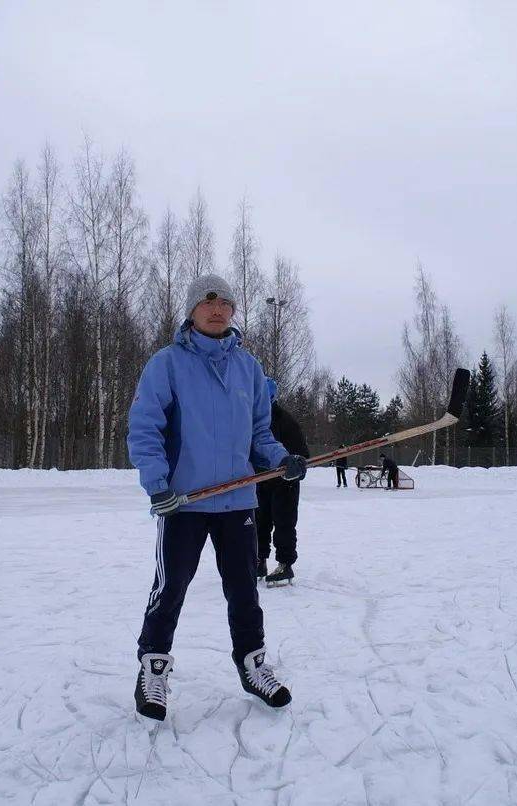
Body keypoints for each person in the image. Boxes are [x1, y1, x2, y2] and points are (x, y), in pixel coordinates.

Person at [127, 274, 307, 721]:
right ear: (192, 310)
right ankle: (153, 669)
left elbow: (260, 435)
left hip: (238, 503)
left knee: (245, 591)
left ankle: (253, 666)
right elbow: (144, 429)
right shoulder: (166, 364)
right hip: (183, 503)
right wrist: (158, 484)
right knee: (170, 588)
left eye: (225, 302)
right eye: (208, 302)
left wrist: (283, 459)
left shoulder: (249, 369)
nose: (217, 309)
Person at [255, 377, 309, 586]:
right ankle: (259, 560)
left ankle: (285, 564)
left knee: (284, 523)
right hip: (261, 481)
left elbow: (303, 455)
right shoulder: (255, 420)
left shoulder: (286, 421)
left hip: (285, 484)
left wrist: (295, 467)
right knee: (260, 523)